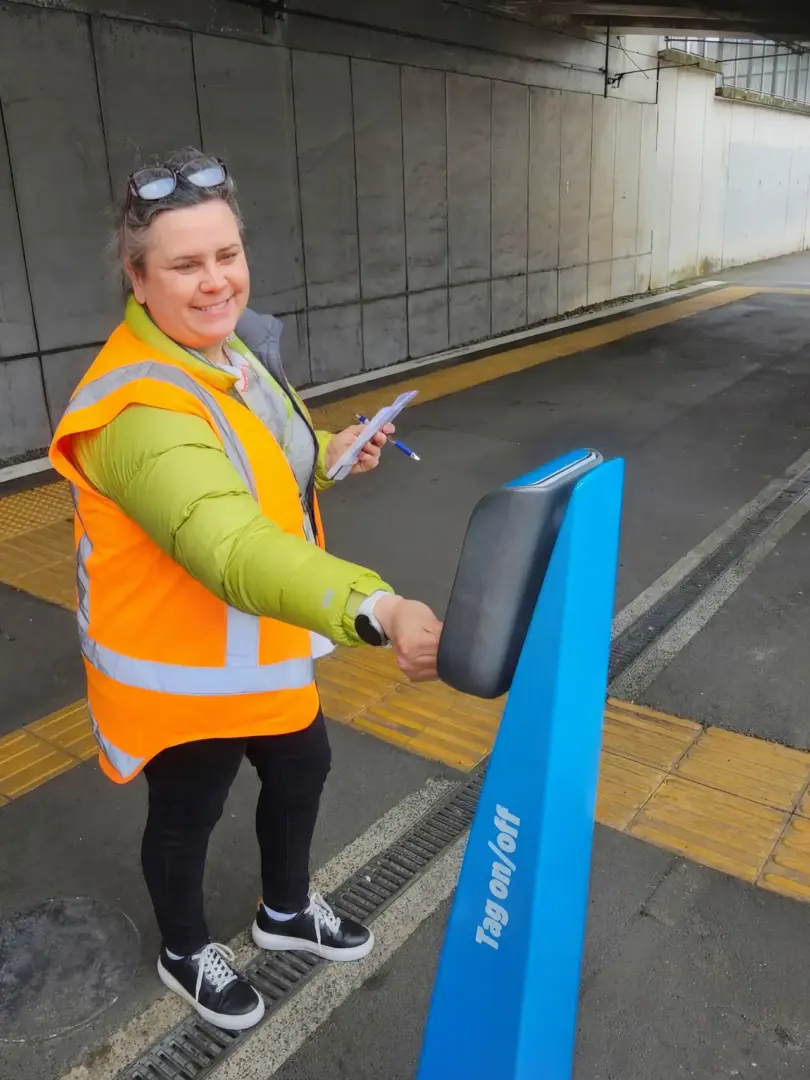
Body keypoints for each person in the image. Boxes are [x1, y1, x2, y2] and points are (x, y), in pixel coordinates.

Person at [48, 148, 442, 1032]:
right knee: (189, 811)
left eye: (227, 254)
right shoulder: (139, 408)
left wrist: (330, 455)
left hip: (256, 645)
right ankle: (185, 951)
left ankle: (285, 909)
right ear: (137, 278)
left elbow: (253, 465)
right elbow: (229, 542)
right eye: (185, 264)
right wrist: (378, 608)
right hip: (182, 667)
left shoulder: (228, 354)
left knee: (303, 765)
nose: (216, 280)